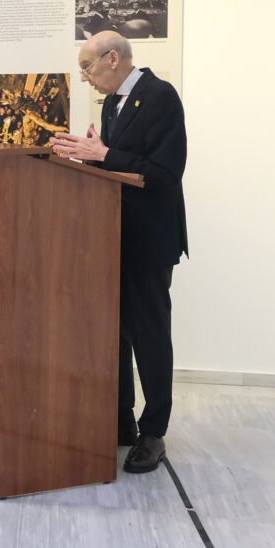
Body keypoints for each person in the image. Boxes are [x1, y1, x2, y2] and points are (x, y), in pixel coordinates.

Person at [51, 30, 188, 474]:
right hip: (115, 236)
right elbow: (118, 164)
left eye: (87, 67)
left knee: (149, 335)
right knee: (116, 332)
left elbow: (165, 172)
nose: (84, 77)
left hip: (150, 240)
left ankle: (153, 433)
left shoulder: (161, 96)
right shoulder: (112, 104)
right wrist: (88, 156)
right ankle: (120, 420)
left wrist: (104, 151)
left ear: (113, 58)